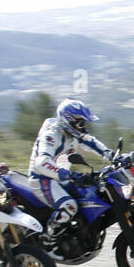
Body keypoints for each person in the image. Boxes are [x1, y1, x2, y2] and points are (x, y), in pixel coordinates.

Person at [27, 97, 113, 239]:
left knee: (90, 197)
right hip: (42, 179)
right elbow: (41, 162)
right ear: (68, 120)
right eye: (80, 123)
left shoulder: (72, 133)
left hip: (62, 177)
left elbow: (91, 142)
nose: (83, 127)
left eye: (84, 123)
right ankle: (48, 238)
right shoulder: (51, 135)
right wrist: (66, 174)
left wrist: (111, 155)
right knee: (69, 206)